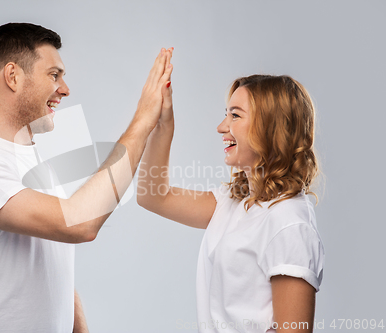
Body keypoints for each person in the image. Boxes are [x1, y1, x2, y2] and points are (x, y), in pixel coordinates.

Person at [0, 22, 173, 333]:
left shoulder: (35, 160)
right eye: (54, 75)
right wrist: (143, 119)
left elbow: (51, 270)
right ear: (13, 76)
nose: (65, 89)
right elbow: (79, 223)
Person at [137, 74, 324, 332]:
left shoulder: (288, 223)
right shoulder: (234, 201)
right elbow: (152, 195)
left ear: (271, 127)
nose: (221, 127)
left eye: (235, 116)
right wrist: (163, 123)